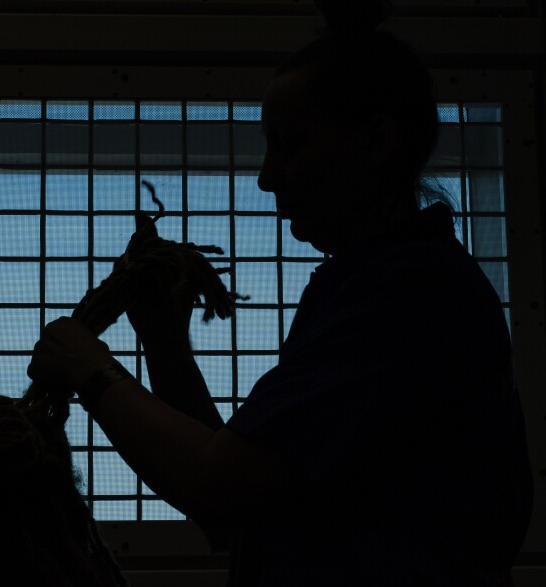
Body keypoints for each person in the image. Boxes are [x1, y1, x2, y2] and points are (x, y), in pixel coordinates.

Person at [27, 2, 533, 585]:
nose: (267, 176)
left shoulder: (408, 297)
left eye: (288, 145)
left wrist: (91, 372)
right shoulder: (371, 286)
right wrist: (163, 341)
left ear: (375, 142)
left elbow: (219, 490)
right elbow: (239, 496)